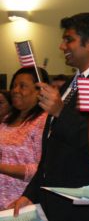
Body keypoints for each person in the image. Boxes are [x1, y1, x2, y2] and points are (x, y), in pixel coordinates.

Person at [12, 13, 89, 221]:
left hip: (88, 206)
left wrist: (61, 112)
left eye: (69, 39)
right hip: (57, 203)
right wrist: (30, 193)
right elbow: (52, 150)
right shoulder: (72, 83)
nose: (62, 46)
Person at [0, 67, 48, 210]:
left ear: (39, 91)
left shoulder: (43, 121)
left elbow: (41, 170)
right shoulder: (8, 119)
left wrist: (2, 168)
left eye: (22, 86)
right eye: (14, 86)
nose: (15, 90)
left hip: (20, 202)